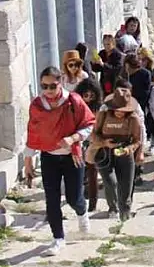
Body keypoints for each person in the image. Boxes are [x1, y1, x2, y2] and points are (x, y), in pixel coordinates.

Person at [24, 66, 96, 256]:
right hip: (49, 157)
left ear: (60, 82)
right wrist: (28, 161)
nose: (48, 90)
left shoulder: (74, 101)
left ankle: (82, 212)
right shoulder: (37, 105)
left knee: (73, 197)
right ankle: (58, 238)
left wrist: (73, 139)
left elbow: (90, 124)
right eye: (44, 86)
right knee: (52, 199)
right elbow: (33, 132)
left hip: (72, 155)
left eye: (52, 86)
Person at [87, 80, 142, 222]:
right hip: (104, 152)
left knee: (126, 187)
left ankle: (125, 213)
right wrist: (104, 142)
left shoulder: (134, 119)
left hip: (124, 153)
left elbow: (138, 140)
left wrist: (130, 149)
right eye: (117, 110)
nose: (120, 113)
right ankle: (112, 207)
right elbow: (93, 134)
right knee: (110, 182)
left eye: (123, 111)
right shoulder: (103, 115)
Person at [75, 78, 104, 212]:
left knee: (93, 173)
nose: (88, 98)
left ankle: (93, 204)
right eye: (85, 95)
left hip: (93, 142)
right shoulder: (75, 106)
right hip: (79, 141)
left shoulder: (99, 108)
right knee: (79, 174)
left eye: (91, 96)